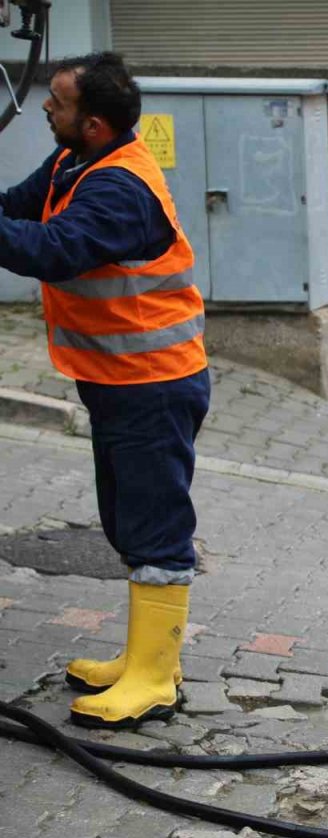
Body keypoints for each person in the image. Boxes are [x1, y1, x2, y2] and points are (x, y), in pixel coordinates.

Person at [0, 52, 208, 728]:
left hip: (153, 383)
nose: (44, 110)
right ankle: (144, 657)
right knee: (125, 518)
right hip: (115, 378)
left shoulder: (120, 188)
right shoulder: (73, 161)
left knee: (155, 523)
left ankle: (154, 676)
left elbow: (50, 249)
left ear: (92, 123)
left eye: (55, 104)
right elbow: (14, 212)